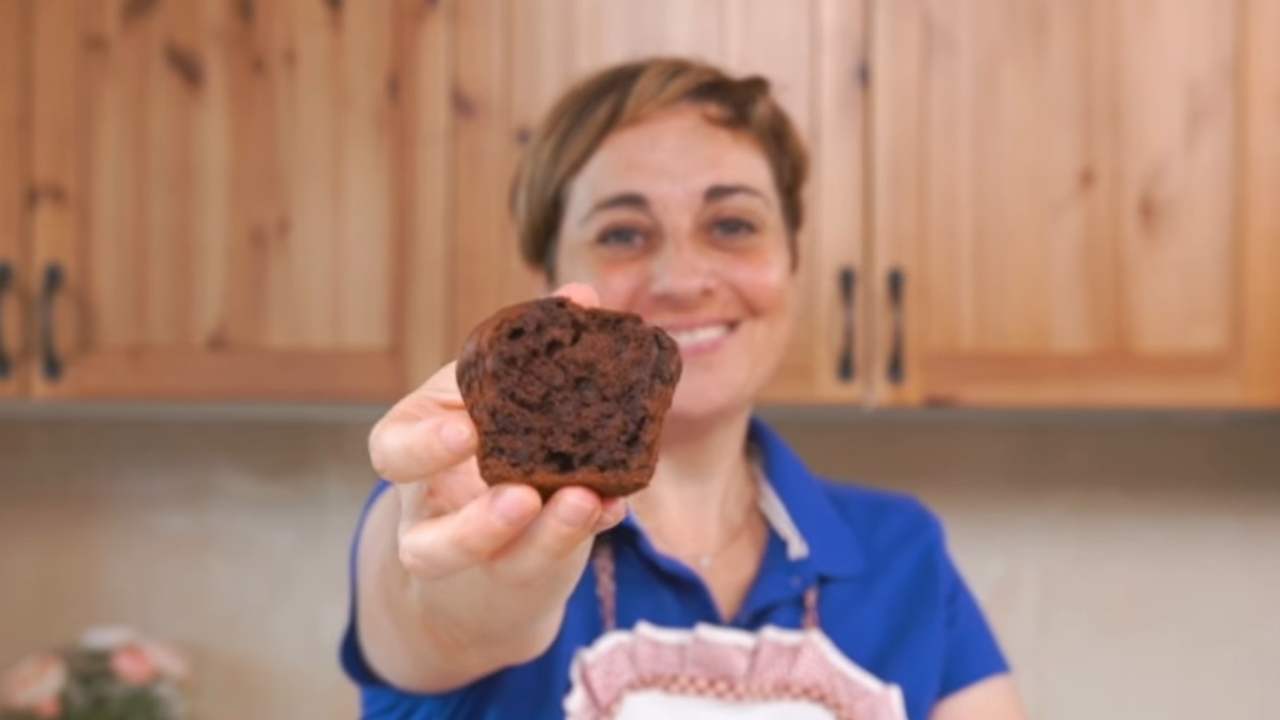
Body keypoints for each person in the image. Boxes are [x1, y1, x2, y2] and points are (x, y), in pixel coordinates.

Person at [341, 57, 1026, 719]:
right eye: (622, 233)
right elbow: (430, 611)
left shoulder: (899, 552)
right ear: (546, 272)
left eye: (732, 225)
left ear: (792, 257)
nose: (682, 278)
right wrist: (477, 601)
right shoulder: (461, 509)